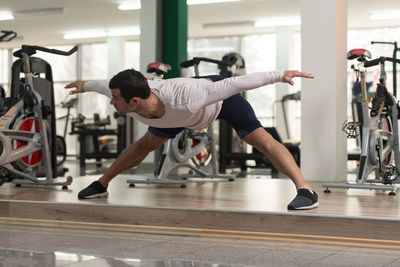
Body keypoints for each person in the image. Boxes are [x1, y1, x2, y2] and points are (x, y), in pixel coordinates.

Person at [65, 68, 318, 210]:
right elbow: (101, 86)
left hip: (217, 101)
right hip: (174, 118)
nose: (111, 102)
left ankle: (306, 191)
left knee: (262, 141)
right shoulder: (139, 100)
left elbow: (239, 82)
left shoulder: (190, 96)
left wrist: (279, 75)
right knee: (142, 146)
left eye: (115, 99)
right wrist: (84, 85)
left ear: (135, 101)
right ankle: (101, 184)